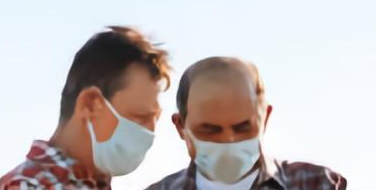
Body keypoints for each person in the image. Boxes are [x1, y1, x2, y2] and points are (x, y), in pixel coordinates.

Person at [0, 26, 173, 190]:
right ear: (90, 104)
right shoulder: (29, 185)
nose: (150, 132)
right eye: (139, 116)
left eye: (155, 119)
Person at [145, 57, 346, 190]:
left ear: (264, 118)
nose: (228, 141)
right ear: (180, 126)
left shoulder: (317, 184)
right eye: (210, 130)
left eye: (243, 127)